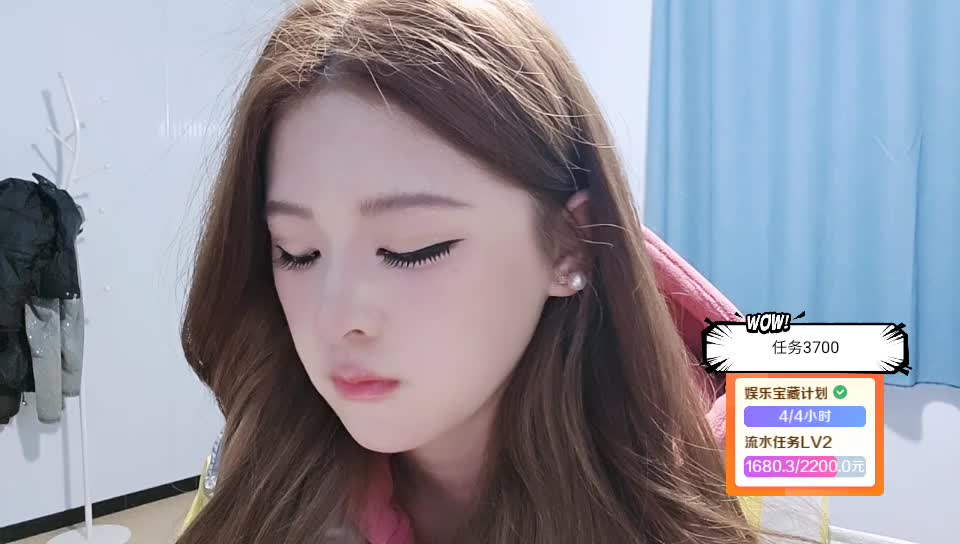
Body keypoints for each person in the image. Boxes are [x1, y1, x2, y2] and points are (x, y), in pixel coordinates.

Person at [177, 1, 822, 542]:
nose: (336, 317)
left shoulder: (769, 460)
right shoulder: (256, 465)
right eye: (297, 251)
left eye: (412, 248)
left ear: (569, 244)